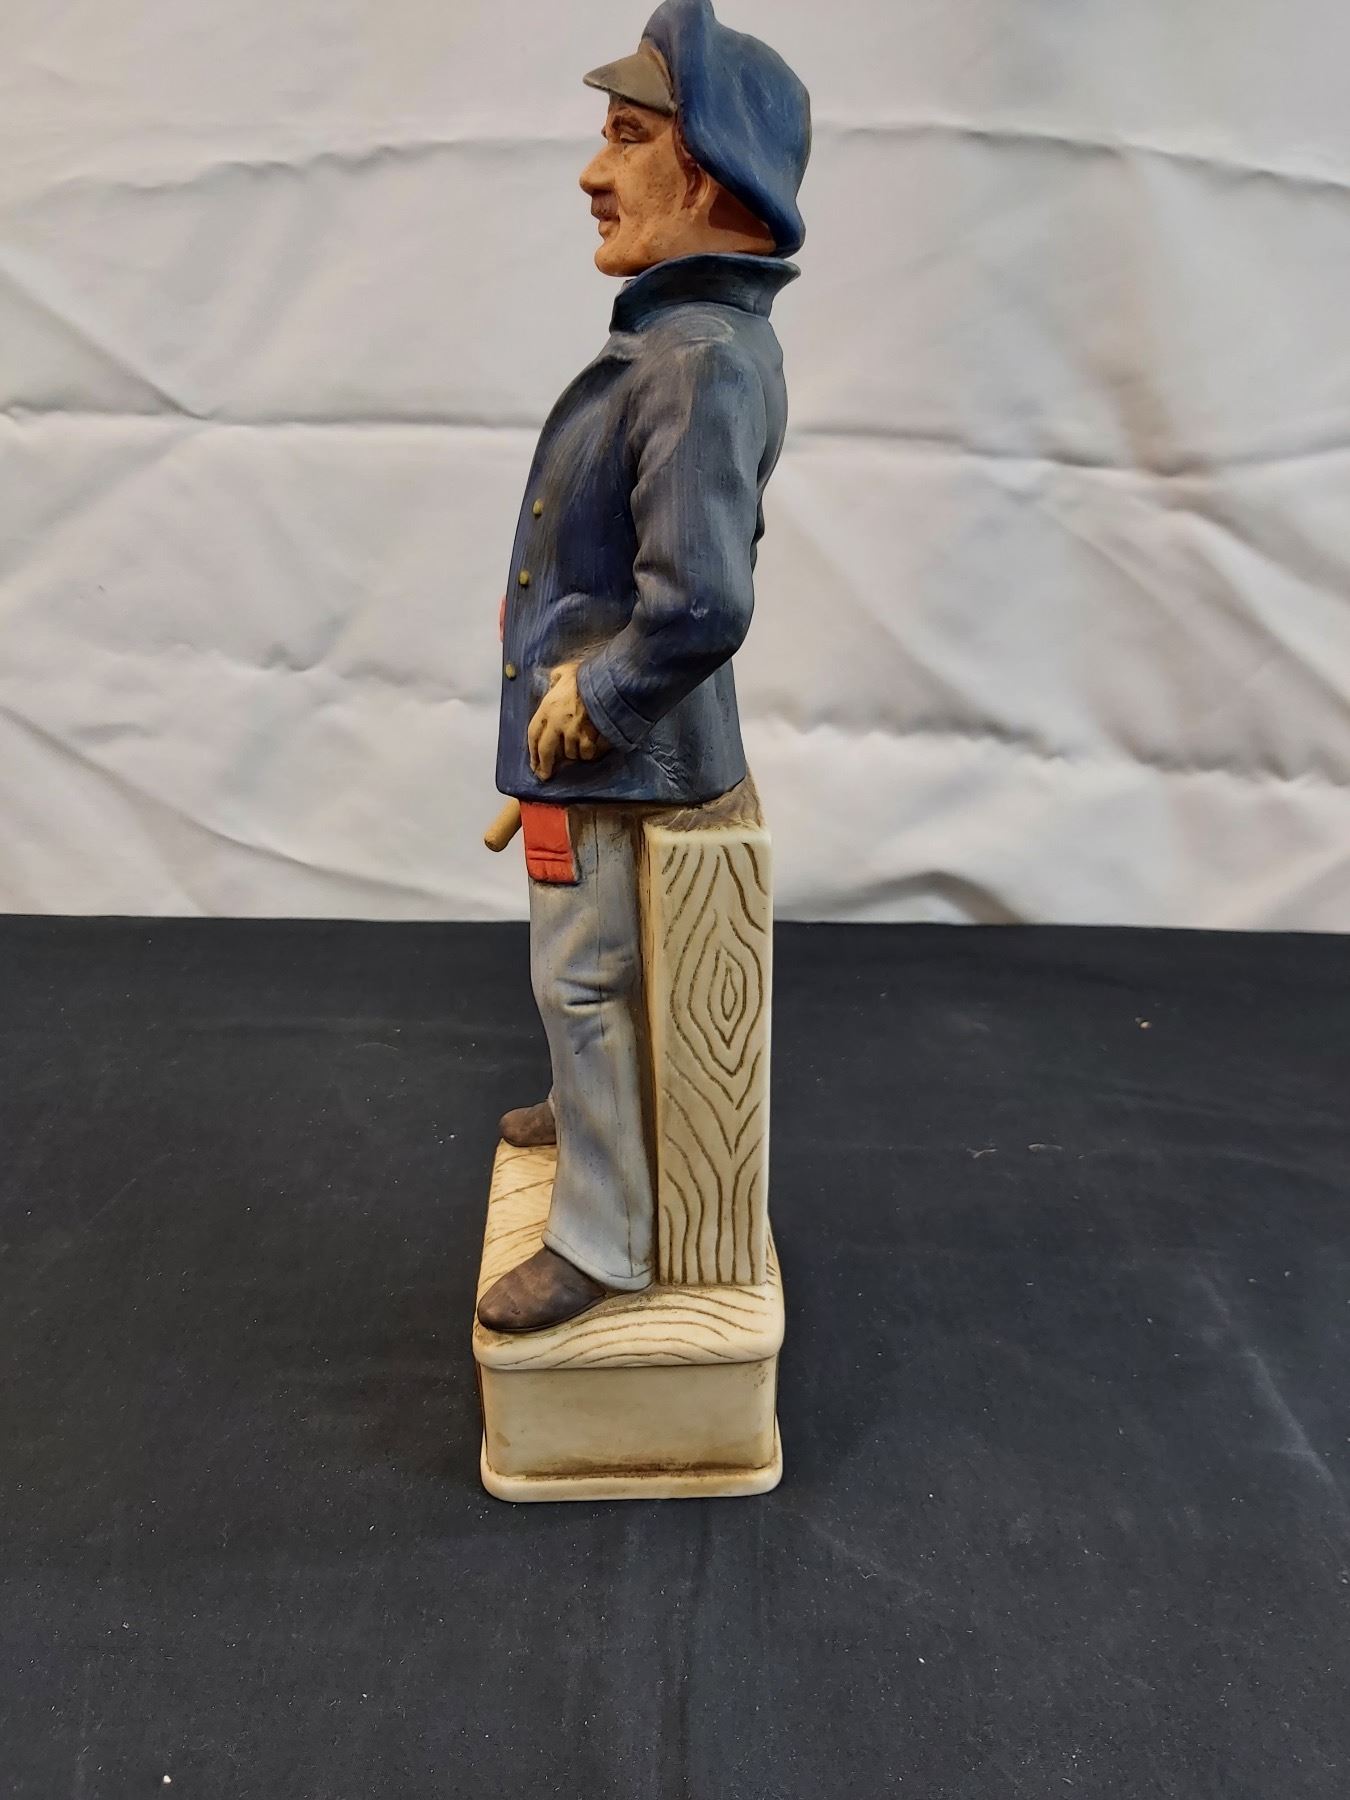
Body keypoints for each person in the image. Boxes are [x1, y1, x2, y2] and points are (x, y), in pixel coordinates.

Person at [476, 0, 810, 1332]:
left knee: (584, 979)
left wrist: (592, 704)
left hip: (620, 757)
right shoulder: (676, 346)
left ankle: (605, 1239)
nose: (591, 171)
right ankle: (587, 1118)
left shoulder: (699, 363)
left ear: (712, 176)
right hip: (579, 757)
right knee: (578, 979)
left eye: (626, 137)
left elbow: (702, 604)